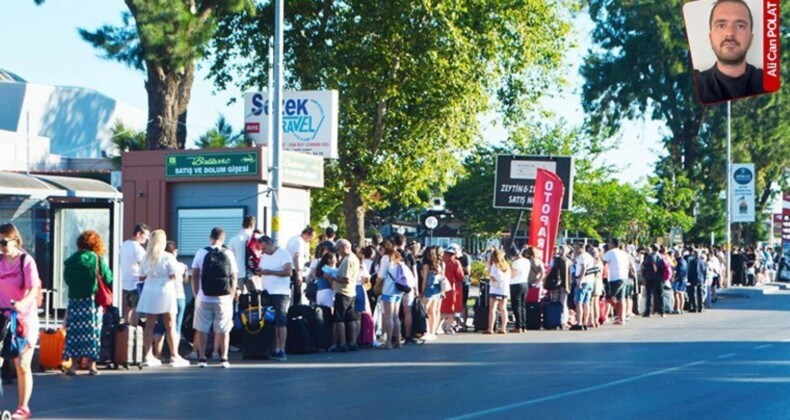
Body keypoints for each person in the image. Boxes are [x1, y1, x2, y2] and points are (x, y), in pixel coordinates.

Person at [0, 223, 41, 419]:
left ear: (15, 241)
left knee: (22, 363)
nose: (0, 246)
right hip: (2, 317)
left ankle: (23, 407)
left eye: (3, 242)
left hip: (23, 319)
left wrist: (22, 303)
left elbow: (33, 288)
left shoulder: (26, 261)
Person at [136, 230, 190, 368]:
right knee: (170, 324)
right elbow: (174, 275)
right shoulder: (167, 257)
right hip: (165, 290)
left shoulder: (146, 257)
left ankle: (148, 355)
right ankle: (174, 356)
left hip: (149, 290)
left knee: (150, 324)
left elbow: (141, 277)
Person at [63, 230, 113, 376]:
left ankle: (73, 365)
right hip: (92, 302)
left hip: (74, 301)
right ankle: (92, 365)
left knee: (74, 333)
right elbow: (108, 277)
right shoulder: (96, 259)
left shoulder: (71, 261)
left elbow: (67, 280)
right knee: (93, 332)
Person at [693, 0, 764, 103]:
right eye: (721, 25)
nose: (730, 33)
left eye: (740, 26)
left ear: (751, 39)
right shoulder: (696, 83)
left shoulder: (767, 81)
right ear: (710, 38)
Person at [192, 227, 238, 368]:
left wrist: (196, 294)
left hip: (204, 297)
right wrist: (231, 294)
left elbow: (194, 274)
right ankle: (223, 358)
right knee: (224, 328)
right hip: (223, 298)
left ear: (210, 237)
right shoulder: (228, 253)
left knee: (202, 328)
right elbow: (234, 276)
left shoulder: (201, 252)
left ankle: (202, 358)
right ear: (223, 238)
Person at [256, 235, 293, 361]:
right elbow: (262, 268)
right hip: (267, 291)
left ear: (271, 244)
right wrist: (260, 271)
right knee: (270, 322)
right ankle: (274, 348)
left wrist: (270, 272)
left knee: (280, 321)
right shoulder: (265, 256)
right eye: (262, 249)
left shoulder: (283, 254)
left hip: (280, 292)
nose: (264, 251)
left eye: (265, 248)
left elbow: (288, 272)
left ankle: (282, 349)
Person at [152, 241, 189, 359]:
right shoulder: (182, 266)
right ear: (175, 251)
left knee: (160, 327)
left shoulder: (158, 264)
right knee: (175, 327)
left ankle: (157, 354)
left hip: (162, 297)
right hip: (179, 297)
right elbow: (186, 280)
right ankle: (174, 354)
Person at [326, 239, 360, 352]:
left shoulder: (347, 260)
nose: (337, 252)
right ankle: (353, 342)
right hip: (352, 292)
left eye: (338, 249)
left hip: (343, 292)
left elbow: (346, 279)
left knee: (339, 319)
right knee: (351, 319)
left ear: (345, 247)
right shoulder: (354, 258)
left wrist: (332, 277)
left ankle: (342, 343)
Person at [377, 245, 411, 349]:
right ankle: (397, 341)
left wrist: (377, 283)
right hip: (398, 290)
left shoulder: (385, 258)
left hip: (388, 289)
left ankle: (388, 342)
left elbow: (381, 274)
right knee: (396, 316)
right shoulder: (398, 258)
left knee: (389, 316)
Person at [120, 223, 150, 325]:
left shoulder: (124, 244)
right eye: (145, 235)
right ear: (138, 234)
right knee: (136, 308)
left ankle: (126, 328)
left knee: (128, 307)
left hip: (124, 281)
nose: (146, 239)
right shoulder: (138, 248)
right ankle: (134, 329)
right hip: (136, 281)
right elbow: (144, 264)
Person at [392, 234, 418, 344]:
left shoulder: (392, 255)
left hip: (394, 286)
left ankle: (394, 335)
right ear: (404, 242)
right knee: (408, 312)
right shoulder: (409, 255)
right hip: (407, 286)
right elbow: (414, 273)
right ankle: (408, 336)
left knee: (394, 312)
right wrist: (416, 288)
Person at [285, 226, 315, 307]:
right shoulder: (300, 242)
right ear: (306, 234)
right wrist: (299, 273)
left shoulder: (293, 239)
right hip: (295, 269)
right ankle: (296, 310)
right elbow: (296, 257)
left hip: (289, 267)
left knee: (291, 291)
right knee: (297, 292)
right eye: (311, 237)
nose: (310, 240)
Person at [420, 246, 445, 340]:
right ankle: (432, 332)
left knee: (423, 311)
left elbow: (425, 281)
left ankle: (426, 331)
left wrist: (422, 292)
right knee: (433, 312)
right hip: (436, 290)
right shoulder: (438, 265)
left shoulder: (426, 266)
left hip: (429, 289)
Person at [603, 239, 630, 324]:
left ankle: (619, 313)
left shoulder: (610, 252)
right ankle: (622, 317)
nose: (608, 244)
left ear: (613, 244)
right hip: (624, 276)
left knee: (609, 297)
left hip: (615, 277)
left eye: (610, 242)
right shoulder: (624, 253)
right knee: (621, 298)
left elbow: (603, 263)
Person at [227, 215, 256, 293]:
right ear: (253, 225)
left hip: (237, 273)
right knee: (255, 299)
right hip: (253, 273)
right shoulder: (254, 239)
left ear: (242, 225)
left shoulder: (233, 239)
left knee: (239, 298)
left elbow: (228, 258)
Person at [485, 248, 511, 334]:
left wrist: (488, 272)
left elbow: (492, 277)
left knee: (492, 309)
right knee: (503, 309)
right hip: (504, 289)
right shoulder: (506, 266)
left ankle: (490, 328)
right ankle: (503, 327)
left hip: (495, 289)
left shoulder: (494, 266)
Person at [440, 246, 465, 334]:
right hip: (453, 288)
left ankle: (438, 327)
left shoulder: (441, 262)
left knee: (441, 308)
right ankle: (448, 327)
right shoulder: (455, 262)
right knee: (451, 309)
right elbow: (460, 275)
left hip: (442, 287)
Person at [571, 243, 594, 330]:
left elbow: (583, 268)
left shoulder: (582, 256)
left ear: (581, 248)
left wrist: (580, 280)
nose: (575, 250)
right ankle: (585, 323)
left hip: (583, 281)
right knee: (586, 302)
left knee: (579, 302)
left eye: (576, 248)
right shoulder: (589, 256)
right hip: (590, 281)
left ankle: (580, 322)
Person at [509, 248, 530, 333]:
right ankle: (524, 325)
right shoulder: (526, 261)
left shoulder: (516, 263)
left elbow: (512, 274)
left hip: (516, 284)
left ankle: (518, 326)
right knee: (523, 305)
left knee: (516, 306)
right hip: (524, 283)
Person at [673, 251, 689, 315]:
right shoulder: (684, 261)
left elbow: (680, 271)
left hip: (679, 280)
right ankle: (681, 309)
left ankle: (678, 308)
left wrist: (675, 278)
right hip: (684, 279)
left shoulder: (679, 262)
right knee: (681, 294)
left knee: (676, 294)